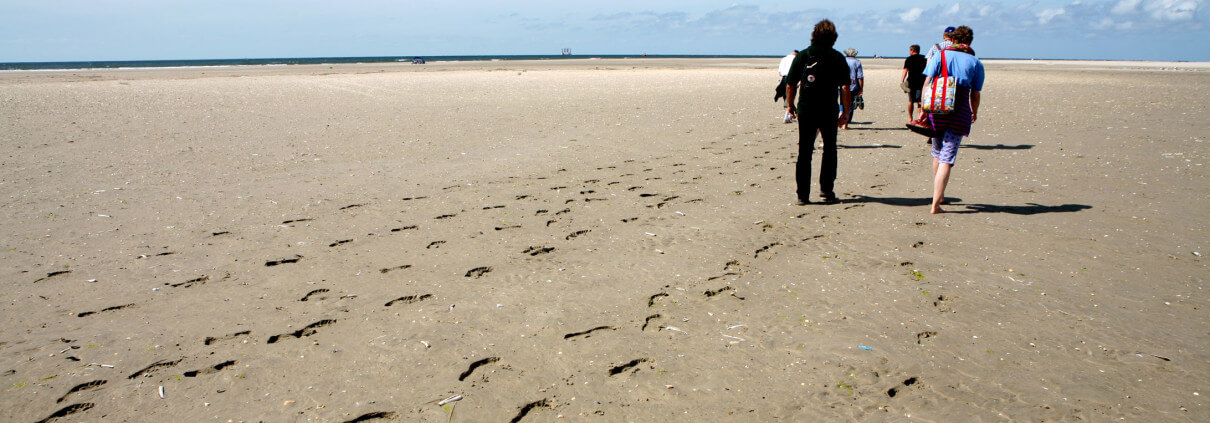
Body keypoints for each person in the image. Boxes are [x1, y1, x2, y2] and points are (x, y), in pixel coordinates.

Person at [785, 19, 851, 205]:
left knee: (804, 152)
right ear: (833, 37)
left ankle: (802, 195)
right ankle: (827, 190)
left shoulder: (804, 55)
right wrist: (845, 111)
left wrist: (790, 105)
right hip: (828, 109)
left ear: (814, 35)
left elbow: (791, 85)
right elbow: (845, 87)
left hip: (807, 109)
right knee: (829, 149)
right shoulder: (837, 57)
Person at [922, 25, 984, 214]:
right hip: (960, 111)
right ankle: (936, 203)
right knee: (947, 157)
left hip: (936, 109)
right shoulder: (975, 62)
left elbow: (927, 83)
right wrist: (974, 111)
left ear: (953, 40)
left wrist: (923, 110)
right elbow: (975, 93)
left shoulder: (940, 56)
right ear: (970, 41)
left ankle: (938, 196)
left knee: (937, 151)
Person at [901, 44, 927, 121]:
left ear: (912, 50)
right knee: (920, 101)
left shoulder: (909, 59)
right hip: (921, 82)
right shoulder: (924, 58)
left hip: (911, 81)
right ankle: (919, 118)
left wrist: (902, 80)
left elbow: (905, 70)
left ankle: (910, 118)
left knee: (911, 101)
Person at [841, 48, 863, 129]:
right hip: (853, 86)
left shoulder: (842, 60)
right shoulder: (857, 62)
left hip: (841, 84)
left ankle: (841, 118)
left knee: (842, 102)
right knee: (850, 104)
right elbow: (860, 77)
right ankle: (845, 123)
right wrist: (861, 88)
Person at [775, 50, 798, 123]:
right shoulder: (796, 59)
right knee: (791, 96)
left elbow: (780, 72)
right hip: (792, 78)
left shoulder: (784, 59)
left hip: (784, 78)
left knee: (786, 96)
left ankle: (788, 115)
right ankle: (787, 116)